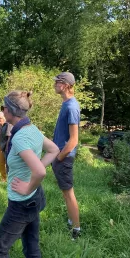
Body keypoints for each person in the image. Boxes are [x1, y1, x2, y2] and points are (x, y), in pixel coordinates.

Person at [0, 91, 60, 258]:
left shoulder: (20, 137)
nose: (2, 110)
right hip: (35, 199)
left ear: (10, 110)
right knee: (30, 244)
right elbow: (54, 150)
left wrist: (28, 188)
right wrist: (32, 175)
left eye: (3, 107)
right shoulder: (32, 129)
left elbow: (40, 171)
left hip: (22, 202)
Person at [52, 72, 81, 240]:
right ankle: (71, 221)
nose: (54, 85)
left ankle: (76, 231)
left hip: (64, 157)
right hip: (61, 155)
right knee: (66, 193)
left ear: (64, 85)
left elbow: (74, 140)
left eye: (57, 82)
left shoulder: (71, 106)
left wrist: (59, 157)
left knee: (69, 194)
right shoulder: (66, 104)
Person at [0, 111, 12, 182]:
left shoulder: (8, 125)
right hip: (0, 146)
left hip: (7, 147)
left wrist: (6, 148)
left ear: (4, 118)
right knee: (1, 163)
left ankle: (10, 179)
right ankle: (3, 178)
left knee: (8, 164)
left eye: (0, 118)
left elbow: (9, 137)